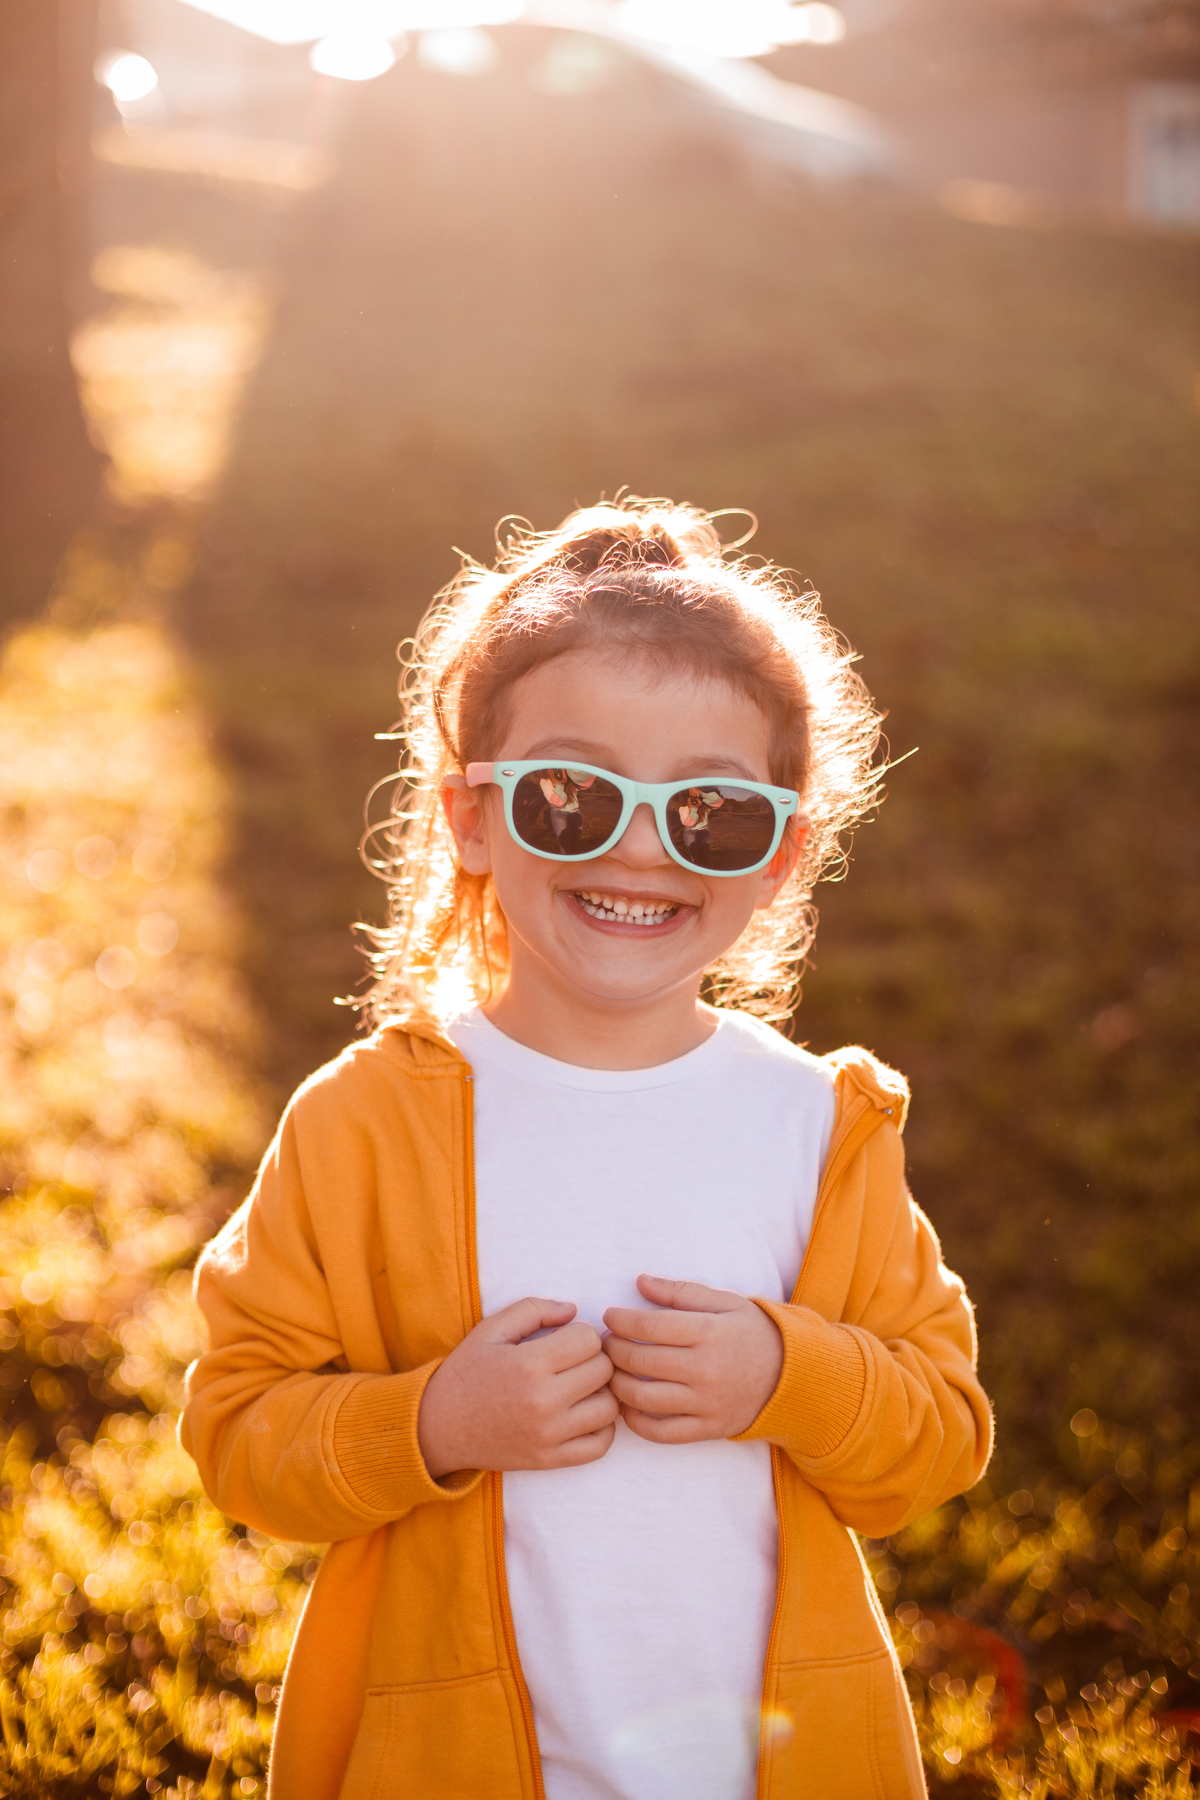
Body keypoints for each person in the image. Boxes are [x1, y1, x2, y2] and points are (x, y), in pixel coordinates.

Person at [180, 499, 992, 1800]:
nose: (636, 845)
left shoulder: (820, 1129)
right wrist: (431, 1423)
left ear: (781, 855)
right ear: (471, 818)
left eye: (710, 814)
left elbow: (939, 1431)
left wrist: (790, 1376)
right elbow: (237, 1430)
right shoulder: (360, 1126)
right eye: (574, 796)